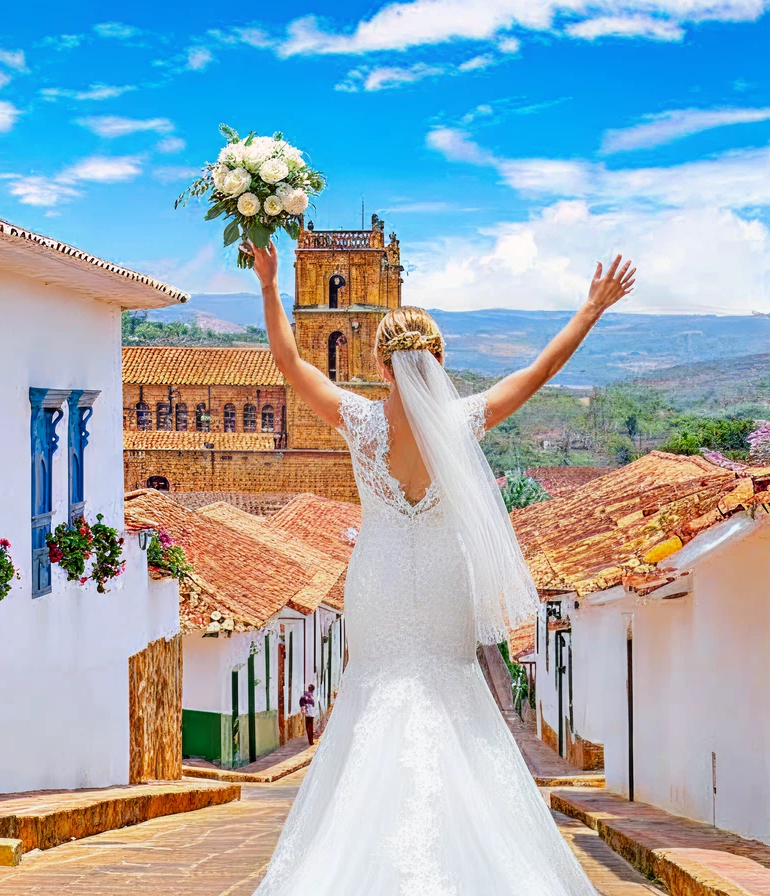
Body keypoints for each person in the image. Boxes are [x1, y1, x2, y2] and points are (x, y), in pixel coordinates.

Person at [245, 240, 636, 895]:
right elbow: (539, 372)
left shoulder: (359, 422)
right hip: (446, 582)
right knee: (452, 693)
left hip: (379, 582)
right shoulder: (461, 424)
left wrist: (268, 284)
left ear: (381, 363)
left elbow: (288, 361)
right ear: (439, 361)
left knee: (377, 687)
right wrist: (590, 309)